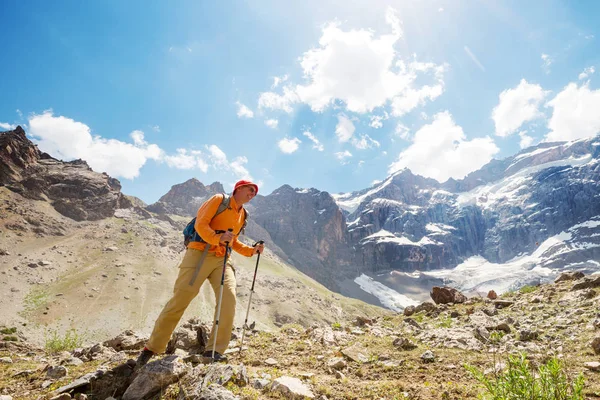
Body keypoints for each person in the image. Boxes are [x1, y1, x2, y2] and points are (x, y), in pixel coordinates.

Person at [136, 179, 264, 366]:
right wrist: (217, 237)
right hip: (199, 254)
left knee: (228, 298)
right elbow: (201, 224)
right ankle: (152, 348)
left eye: (255, 192)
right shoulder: (219, 200)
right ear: (238, 188)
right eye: (250, 189)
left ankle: (214, 351)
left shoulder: (243, 214)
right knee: (180, 299)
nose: (252, 194)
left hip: (222, 259)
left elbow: (233, 241)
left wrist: (252, 250)